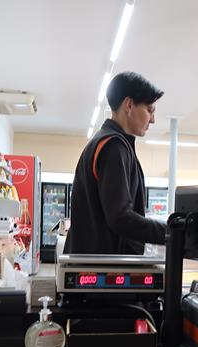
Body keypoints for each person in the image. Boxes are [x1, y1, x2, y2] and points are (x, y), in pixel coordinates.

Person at [64, 72, 167, 255]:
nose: (152, 119)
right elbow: (120, 217)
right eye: (149, 110)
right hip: (102, 266)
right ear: (129, 105)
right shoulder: (113, 146)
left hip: (92, 262)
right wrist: (171, 233)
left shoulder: (107, 142)